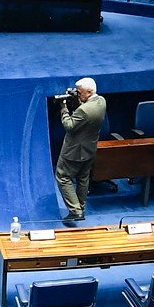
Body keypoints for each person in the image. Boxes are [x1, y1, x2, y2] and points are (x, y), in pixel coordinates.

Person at [54, 78, 106, 223]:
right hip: (90, 149)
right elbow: (86, 112)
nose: (79, 94)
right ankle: (81, 208)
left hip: (74, 151)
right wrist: (78, 99)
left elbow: (69, 125)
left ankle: (75, 210)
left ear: (89, 92)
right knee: (83, 178)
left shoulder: (83, 110)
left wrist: (64, 108)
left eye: (80, 92)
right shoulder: (101, 101)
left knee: (63, 177)